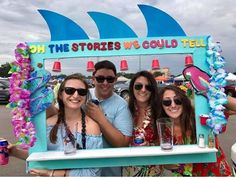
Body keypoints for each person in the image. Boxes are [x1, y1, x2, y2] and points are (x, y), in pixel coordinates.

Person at [8, 73, 103, 177]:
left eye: (82, 92)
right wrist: (13, 151)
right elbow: (38, 156)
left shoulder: (92, 128)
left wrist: (51, 173)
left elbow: (93, 173)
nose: (76, 95)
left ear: (86, 96)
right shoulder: (48, 123)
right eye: (69, 90)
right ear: (61, 95)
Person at [158, 85, 232, 176]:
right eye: (167, 102)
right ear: (161, 105)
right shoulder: (162, 129)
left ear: (184, 101)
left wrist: (216, 94)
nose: (173, 105)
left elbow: (232, 108)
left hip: (216, 174)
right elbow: (164, 159)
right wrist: (167, 164)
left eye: (177, 100)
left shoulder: (201, 118)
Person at [85, 60, 133, 176]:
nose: (105, 83)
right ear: (93, 79)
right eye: (100, 79)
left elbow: (122, 143)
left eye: (110, 79)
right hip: (82, 167)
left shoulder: (121, 105)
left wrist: (101, 119)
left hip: (109, 171)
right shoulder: (81, 95)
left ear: (115, 80)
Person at [122, 70, 163, 176]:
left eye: (148, 87)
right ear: (132, 88)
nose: (143, 90)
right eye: (138, 86)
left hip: (153, 170)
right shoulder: (124, 110)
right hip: (128, 169)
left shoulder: (160, 110)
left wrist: (151, 146)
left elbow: (167, 140)